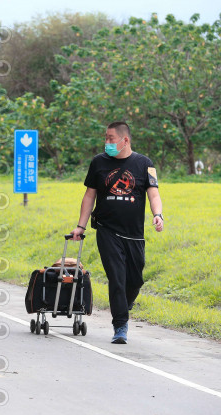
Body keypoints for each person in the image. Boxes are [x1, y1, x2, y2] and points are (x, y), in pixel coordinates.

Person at [71, 122, 164, 344]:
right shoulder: (98, 163)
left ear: (125, 140)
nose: (107, 142)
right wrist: (81, 226)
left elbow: (153, 194)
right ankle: (120, 325)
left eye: (111, 138)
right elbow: (89, 196)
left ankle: (124, 303)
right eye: (106, 138)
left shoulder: (144, 164)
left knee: (135, 280)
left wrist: (158, 214)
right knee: (117, 277)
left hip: (134, 234)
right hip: (107, 230)